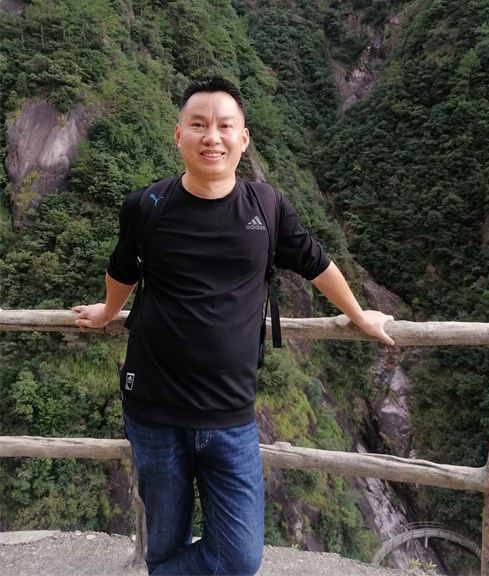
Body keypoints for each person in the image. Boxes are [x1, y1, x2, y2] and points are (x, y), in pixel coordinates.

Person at [73, 75, 394, 576]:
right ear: (178, 134)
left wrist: (358, 315)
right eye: (198, 124)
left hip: (230, 412)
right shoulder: (147, 206)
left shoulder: (266, 206)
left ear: (243, 138)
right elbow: (123, 268)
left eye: (225, 126)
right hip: (154, 408)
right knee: (165, 543)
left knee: (239, 557)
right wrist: (109, 312)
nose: (212, 137)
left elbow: (316, 263)